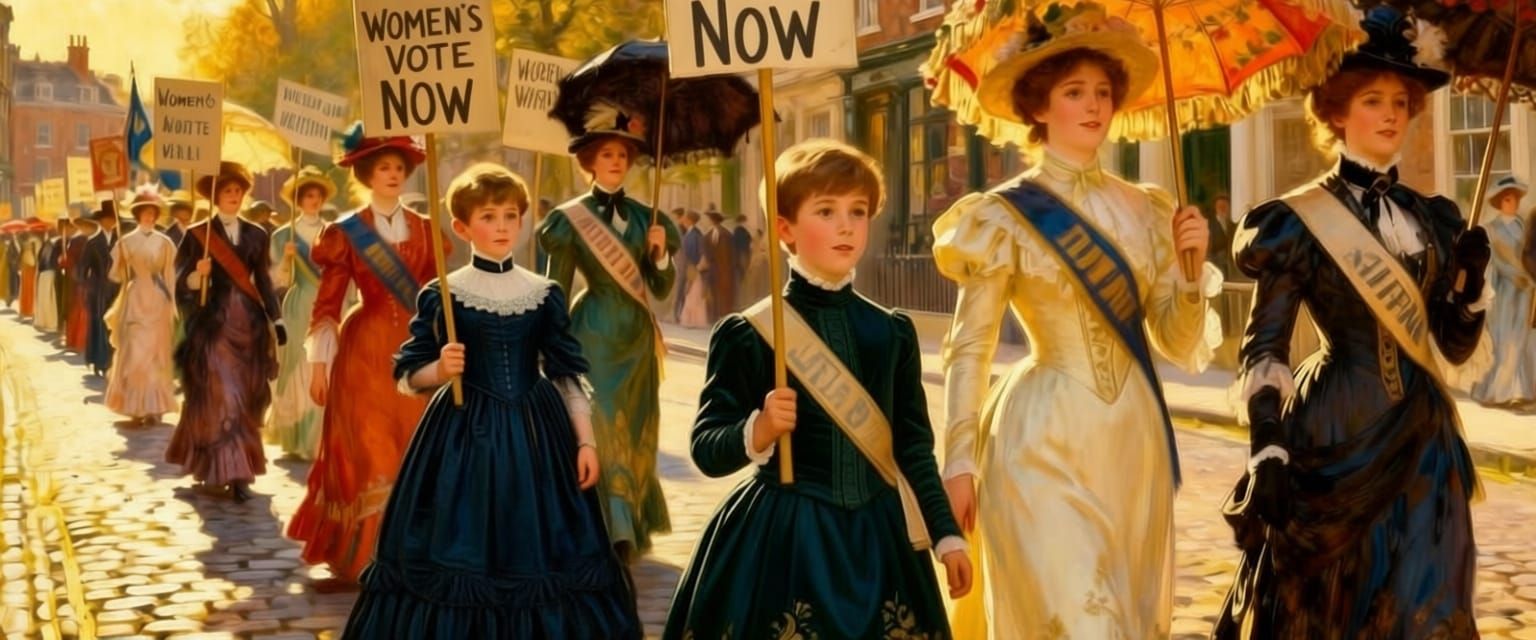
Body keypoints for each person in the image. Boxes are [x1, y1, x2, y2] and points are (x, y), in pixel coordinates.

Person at [932, 4, 1219, 636]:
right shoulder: (1003, 216)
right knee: (1081, 620)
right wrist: (957, 463)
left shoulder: (1149, 211)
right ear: (1039, 107)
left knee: (1129, 619)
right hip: (1043, 439)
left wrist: (1192, 273)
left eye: (1102, 93)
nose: (1093, 106)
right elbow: (970, 346)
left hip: (1132, 445)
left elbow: (1175, 340)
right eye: (1073, 92)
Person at [1212, 8, 1489, 637]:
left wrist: (1470, 287)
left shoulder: (1434, 219)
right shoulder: (1297, 221)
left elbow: (1452, 344)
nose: (1391, 114)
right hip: (1335, 428)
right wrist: (1268, 446)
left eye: (1400, 100)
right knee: (1336, 608)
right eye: (1372, 100)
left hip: (1423, 441)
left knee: (1428, 603)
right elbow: (1266, 342)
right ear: (1336, 112)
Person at [664, 140, 971, 638]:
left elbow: (913, 448)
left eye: (858, 211)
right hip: (784, 542)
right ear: (784, 228)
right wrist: (758, 430)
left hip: (879, 542)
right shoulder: (750, 333)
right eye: (826, 211)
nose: (847, 225)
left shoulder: (891, 332)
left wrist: (946, 536)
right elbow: (707, 450)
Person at [341, 163, 642, 639]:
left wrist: (585, 443)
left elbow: (567, 374)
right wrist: (440, 369)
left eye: (510, 216)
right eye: (488, 217)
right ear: (462, 228)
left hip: (537, 438)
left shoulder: (544, 293)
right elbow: (406, 373)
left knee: (543, 553)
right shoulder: (444, 291)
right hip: (462, 438)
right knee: (462, 553)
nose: (502, 227)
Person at [288, 124, 450, 592]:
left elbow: (437, 296)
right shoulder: (345, 234)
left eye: (400, 167)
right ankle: (364, 556)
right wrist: (319, 364)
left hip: (414, 353)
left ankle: (411, 553)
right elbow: (326, 307)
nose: (394, 175)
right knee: (372, 452)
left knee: (411, 449)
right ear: (366, 174)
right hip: (362, 356)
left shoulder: (424, 231)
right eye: (384, 167)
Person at [539, 101, 681, 561]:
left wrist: (659, 256)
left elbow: (659, 289)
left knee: (637, 425)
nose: (617, 162)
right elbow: (556, 284)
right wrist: (546, 336)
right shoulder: (569, 219)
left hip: (637, 338)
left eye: (623, 155)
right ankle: (604, 523)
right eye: (607, 155)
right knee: (599, 422)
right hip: (592, 333)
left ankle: (632, 522)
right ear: (589, 163)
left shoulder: (648, 219)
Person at [167, 161, 285, 503]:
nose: (233, 197)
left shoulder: (257, 234)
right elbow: (181, 285)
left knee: (245, 399)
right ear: (216, 197)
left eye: (238, 191)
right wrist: (196, 275)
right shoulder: (197, 235)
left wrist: (276, 319)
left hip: (249, 327)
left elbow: (262, 279)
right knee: (223, 396)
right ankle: (226, 471)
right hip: (214, 329)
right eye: (227, 192)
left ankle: (240, 471)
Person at [263, 166, 335, 459]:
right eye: (307, 196)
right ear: (298, 200)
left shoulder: (334, 231)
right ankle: (297, 439)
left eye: (317, 196)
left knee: (326, 363)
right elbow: (277, 280)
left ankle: (319, 437)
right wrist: (287, 260)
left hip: (329, 303)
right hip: (299, 301)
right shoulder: (284, 235)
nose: (313, 201)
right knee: (298, 364)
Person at [104, 188, 179, 426]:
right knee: (135, 354)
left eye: (152, 213)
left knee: (156, 355)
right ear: (137, 215)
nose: (149, 217)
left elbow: (170, 275)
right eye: (144, 213)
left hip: (158, 300)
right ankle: (134, 405)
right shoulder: (125, 242)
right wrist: (122, 263)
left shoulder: (165, 242)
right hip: (135, 298)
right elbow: (115, 276)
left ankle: (154, 407)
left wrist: (172, 305)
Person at [82, 202, 126, 377]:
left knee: (117, 325)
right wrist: (88, 286)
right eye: (106, 219)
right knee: (100, 324)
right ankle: (101, 360)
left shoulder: (122, 240)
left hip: (117, 288)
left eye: (112, 219)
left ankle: (116, 361)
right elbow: (82, 270)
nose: (110, 222)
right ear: (100, 221)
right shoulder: (92, 242)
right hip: (99, 289)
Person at [33, 222, 61, 333]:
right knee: (44, 299)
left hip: (51, 273)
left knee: (50, 299)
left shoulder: (56, 243)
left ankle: (51, 322)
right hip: (45, 273)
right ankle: (44, 321)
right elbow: (40, 259)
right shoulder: (47, 244)